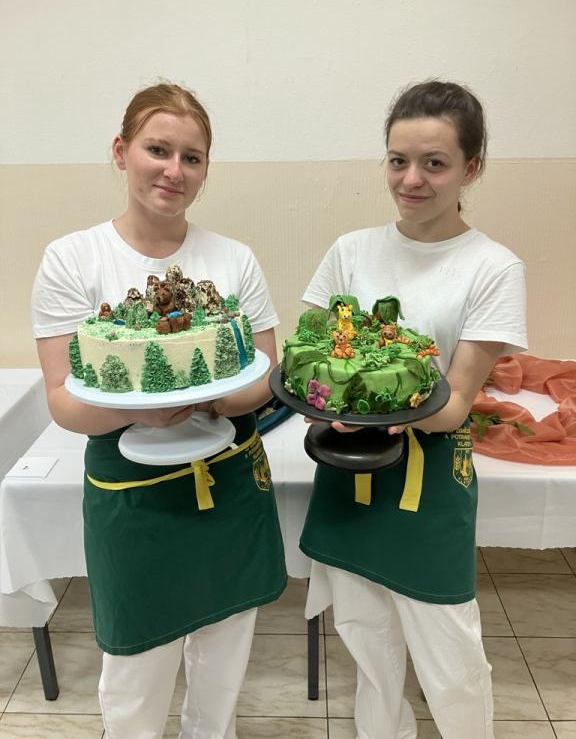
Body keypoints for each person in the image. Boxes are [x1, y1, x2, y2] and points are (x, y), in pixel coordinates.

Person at [31, 82, 287, 739]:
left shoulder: (233, 259)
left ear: (205, 169)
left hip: (230, 484)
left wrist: (205, 396)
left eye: (191, 157)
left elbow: (265, 374)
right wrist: (140, 412)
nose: (174, 170)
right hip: (133, 499)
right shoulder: (73, 259)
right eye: (158, 150)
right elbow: (63, 399)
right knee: (136, 675)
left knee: (223, 663)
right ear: (121, 151)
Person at [298, 80, 527, 739]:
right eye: (398, 161)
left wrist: (379, 412)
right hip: (348, 470)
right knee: (366, 643)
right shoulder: (350, 251)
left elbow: (454, 404)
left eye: (434, 163)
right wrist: (324, 407)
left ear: (471, 168)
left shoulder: (492, 267)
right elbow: (314, 361)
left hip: (430, 481)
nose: (411, 180)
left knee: (450, 655)